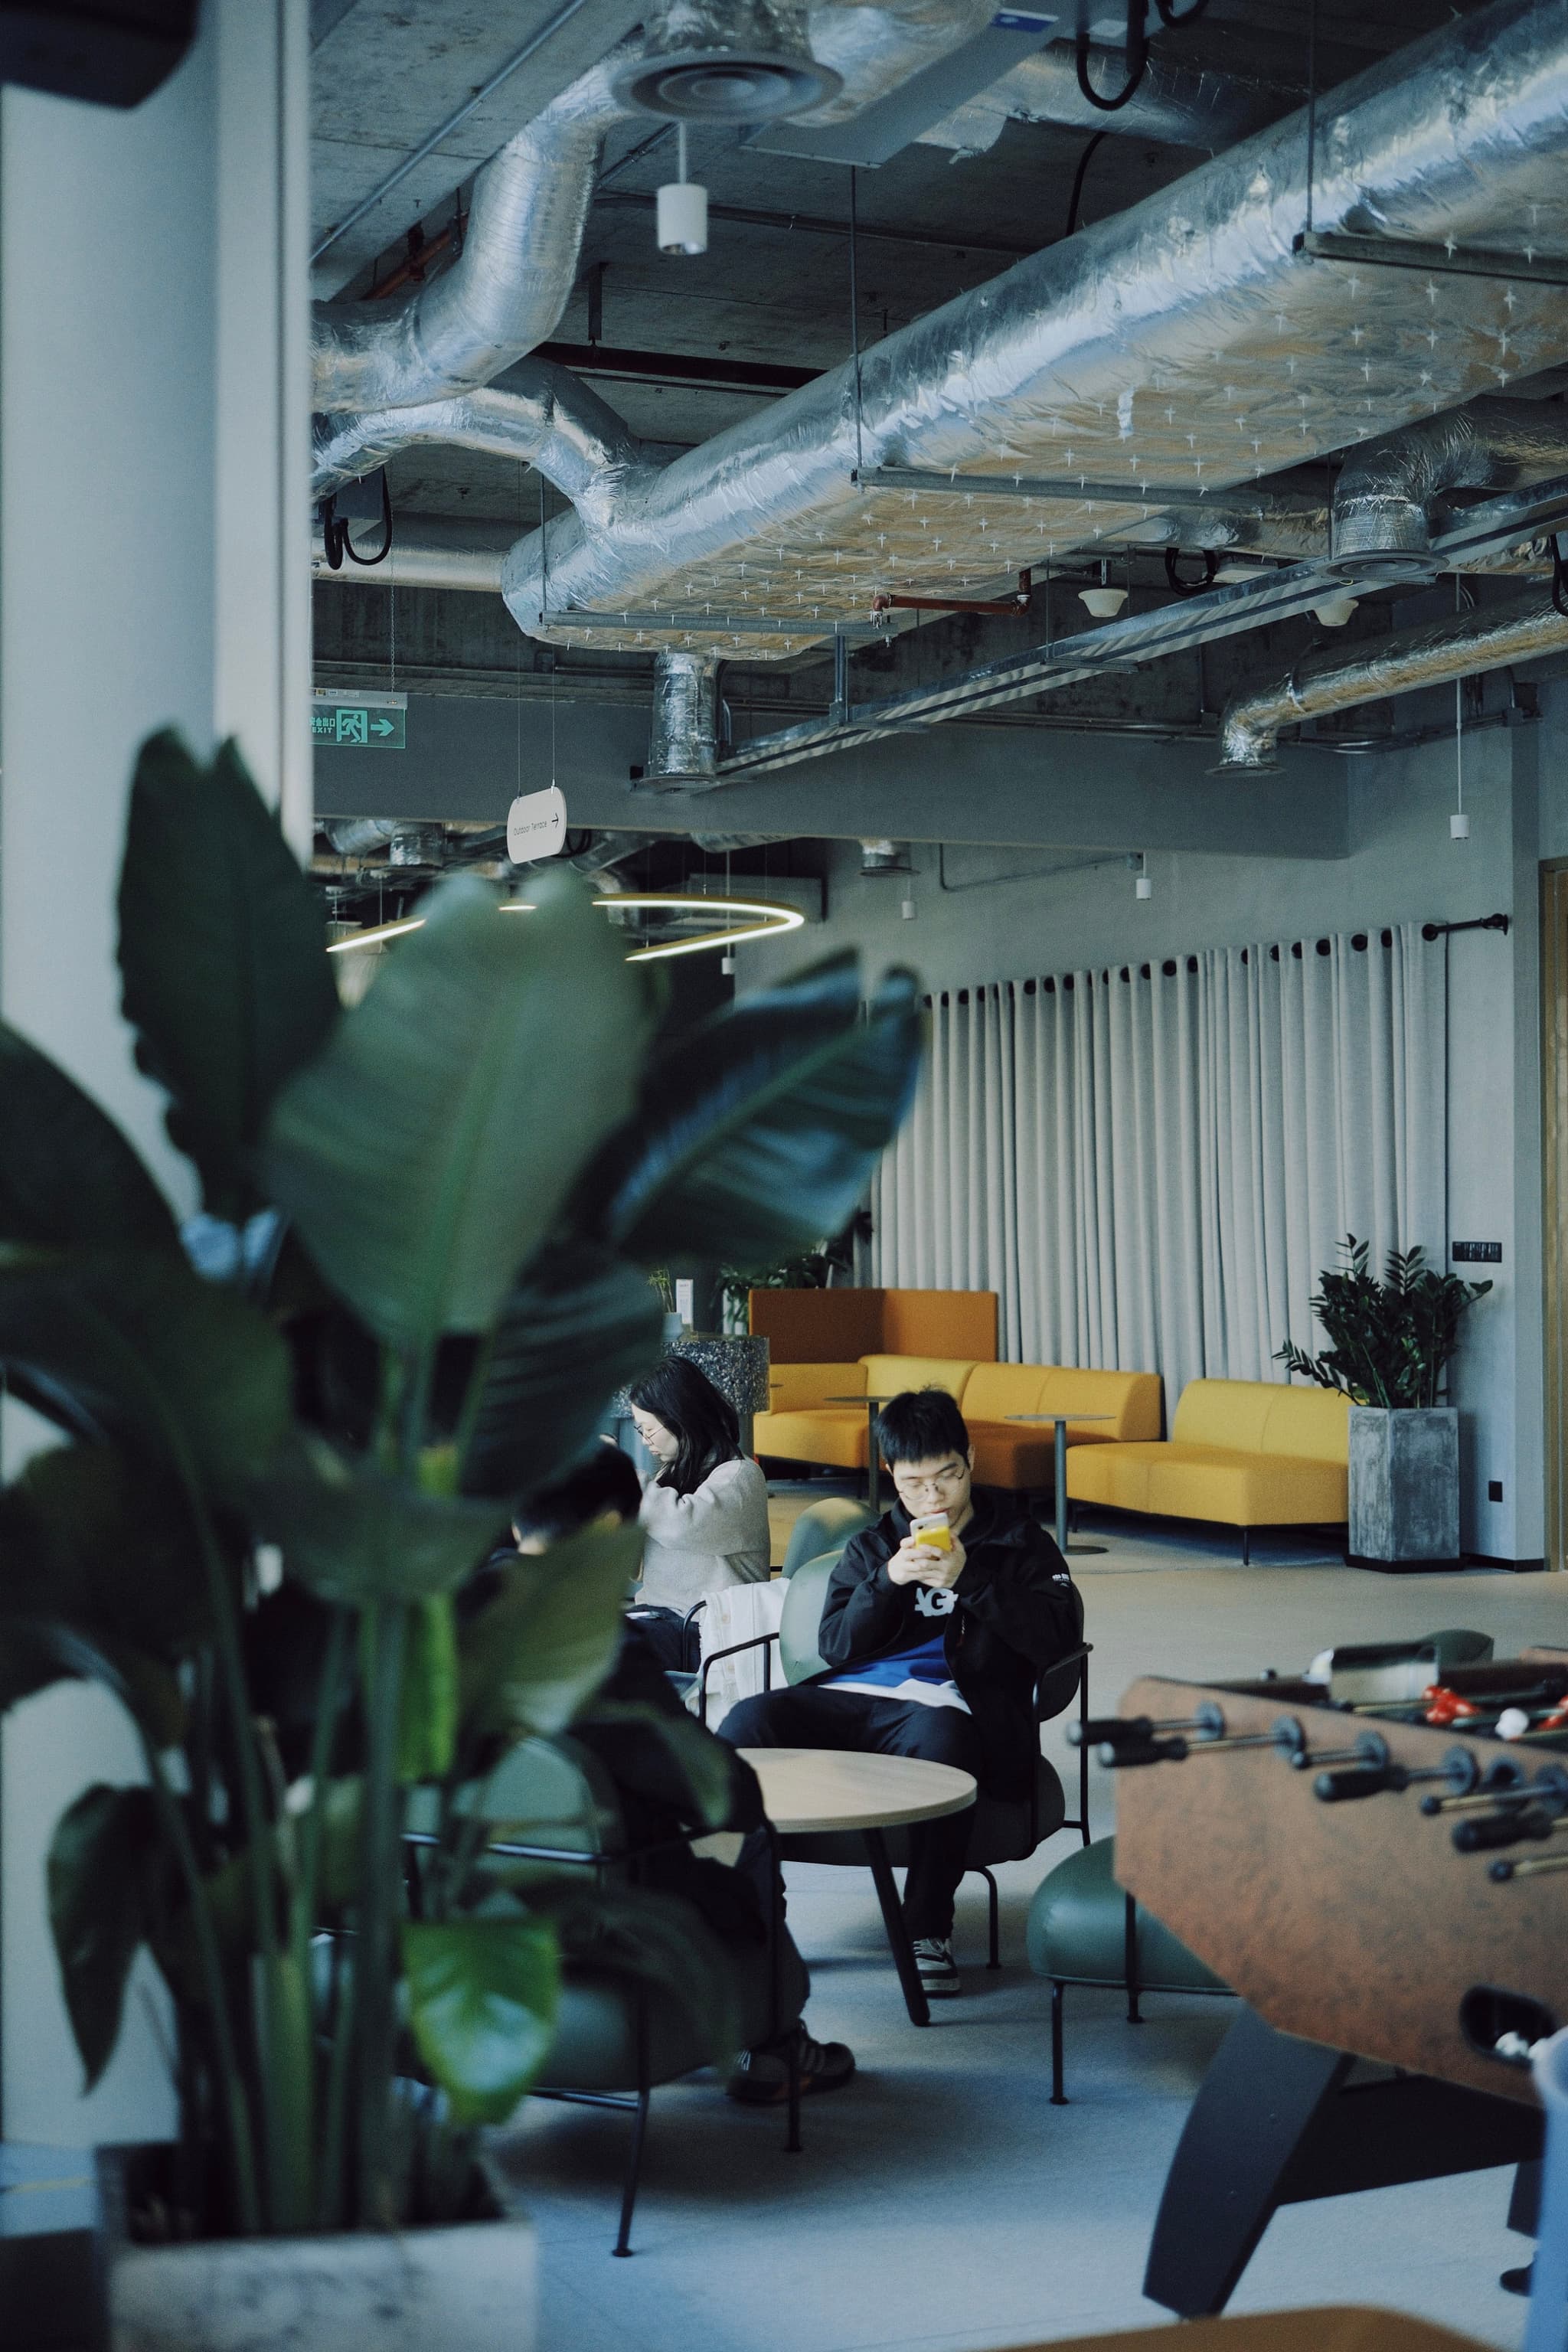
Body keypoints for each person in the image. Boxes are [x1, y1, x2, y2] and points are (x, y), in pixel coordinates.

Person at [505, 1444, 854, 2105]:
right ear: (612, 1529)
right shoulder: (600, 1646)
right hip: (598, 1905)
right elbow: (721, 1792)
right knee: (749, 1838)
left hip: (456, 1885)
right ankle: (774, 2049)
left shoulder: (450, 1616)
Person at [719, 1387, 1083, 2000]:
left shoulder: (1020, 1542)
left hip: (947, 1705)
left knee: (945, 1742)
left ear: (970, 1459)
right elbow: (834, 1645)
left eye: (948, 1476)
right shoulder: (873, 1546)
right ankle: (749, 1915)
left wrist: (973, 1579)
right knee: (745, 1724)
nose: (933, 1497)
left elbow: (1056, 1639)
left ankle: (925, 1931)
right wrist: (886, 1583)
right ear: (891, 1473)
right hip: (853, 1696)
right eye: (915, 1483)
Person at [626, 1357, 770, 1668]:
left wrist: (624, 1479)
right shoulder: (671, 1474)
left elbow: (684, 1525)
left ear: (680, 1418)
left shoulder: (740, 1476)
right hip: (661, 1617)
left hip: (707, 1629)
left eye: (648, 1429)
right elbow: (640, 1562)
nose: (644, 1440)